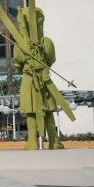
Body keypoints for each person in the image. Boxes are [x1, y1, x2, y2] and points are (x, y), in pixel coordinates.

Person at [15, 8, 62, 150]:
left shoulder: (19, 44)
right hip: (44, 77)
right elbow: (51, 59)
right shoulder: (46, 42)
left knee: (32, 112)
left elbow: (17, 66)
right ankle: (53, 141)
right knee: (46, 112)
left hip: (30, 79)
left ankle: (32, 142)